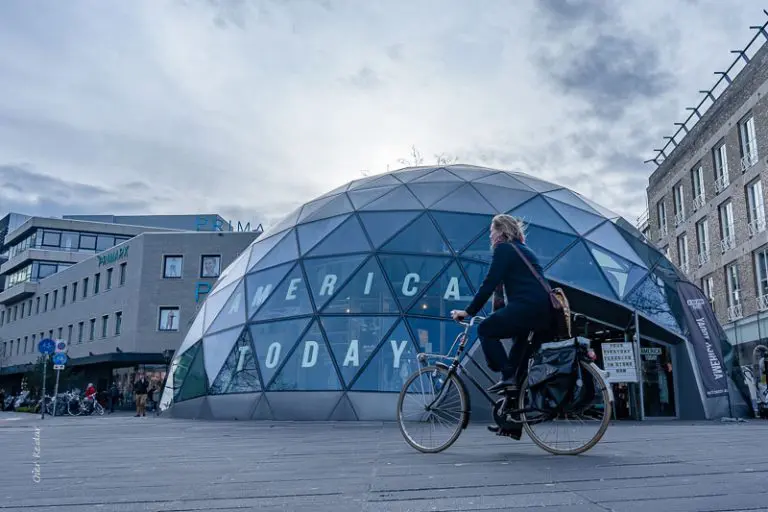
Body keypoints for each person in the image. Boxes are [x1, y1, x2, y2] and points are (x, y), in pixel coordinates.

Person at [451, 214, 552, 435]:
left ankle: (507, 377)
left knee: (485, 329)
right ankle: (512, 424)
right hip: (542, 313)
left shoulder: (504, 249)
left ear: (502, 231)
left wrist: (468, 312)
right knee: (516, 370)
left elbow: (490, 283)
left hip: (527, 309)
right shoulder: (524, 250)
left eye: (492, 231)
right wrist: (500, 315)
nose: (490, 236)